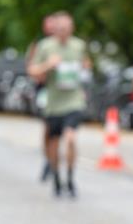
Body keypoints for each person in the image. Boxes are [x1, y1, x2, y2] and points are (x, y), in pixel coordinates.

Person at [28, 12, 91, 198]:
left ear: (72, 28)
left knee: (71, 138)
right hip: (53, 102)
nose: (64, 32)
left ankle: (70, 178)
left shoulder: (79, 45)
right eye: (60, 28)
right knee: (53, 143)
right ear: (55, 29)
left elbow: (86, 64)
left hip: (74, 100)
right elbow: (32, 70)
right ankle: (56, 176)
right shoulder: (45, 46)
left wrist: (85, 68)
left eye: (67, 28)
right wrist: (48, 65)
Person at [26, 14, 56, 182]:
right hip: (45, 91)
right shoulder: (39, 45)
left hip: (64, 93)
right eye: (49, 25)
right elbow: (32, 69)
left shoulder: (68, 45)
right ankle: (48, 160)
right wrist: (45, 69)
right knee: (48, 127)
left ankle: (54, 159)